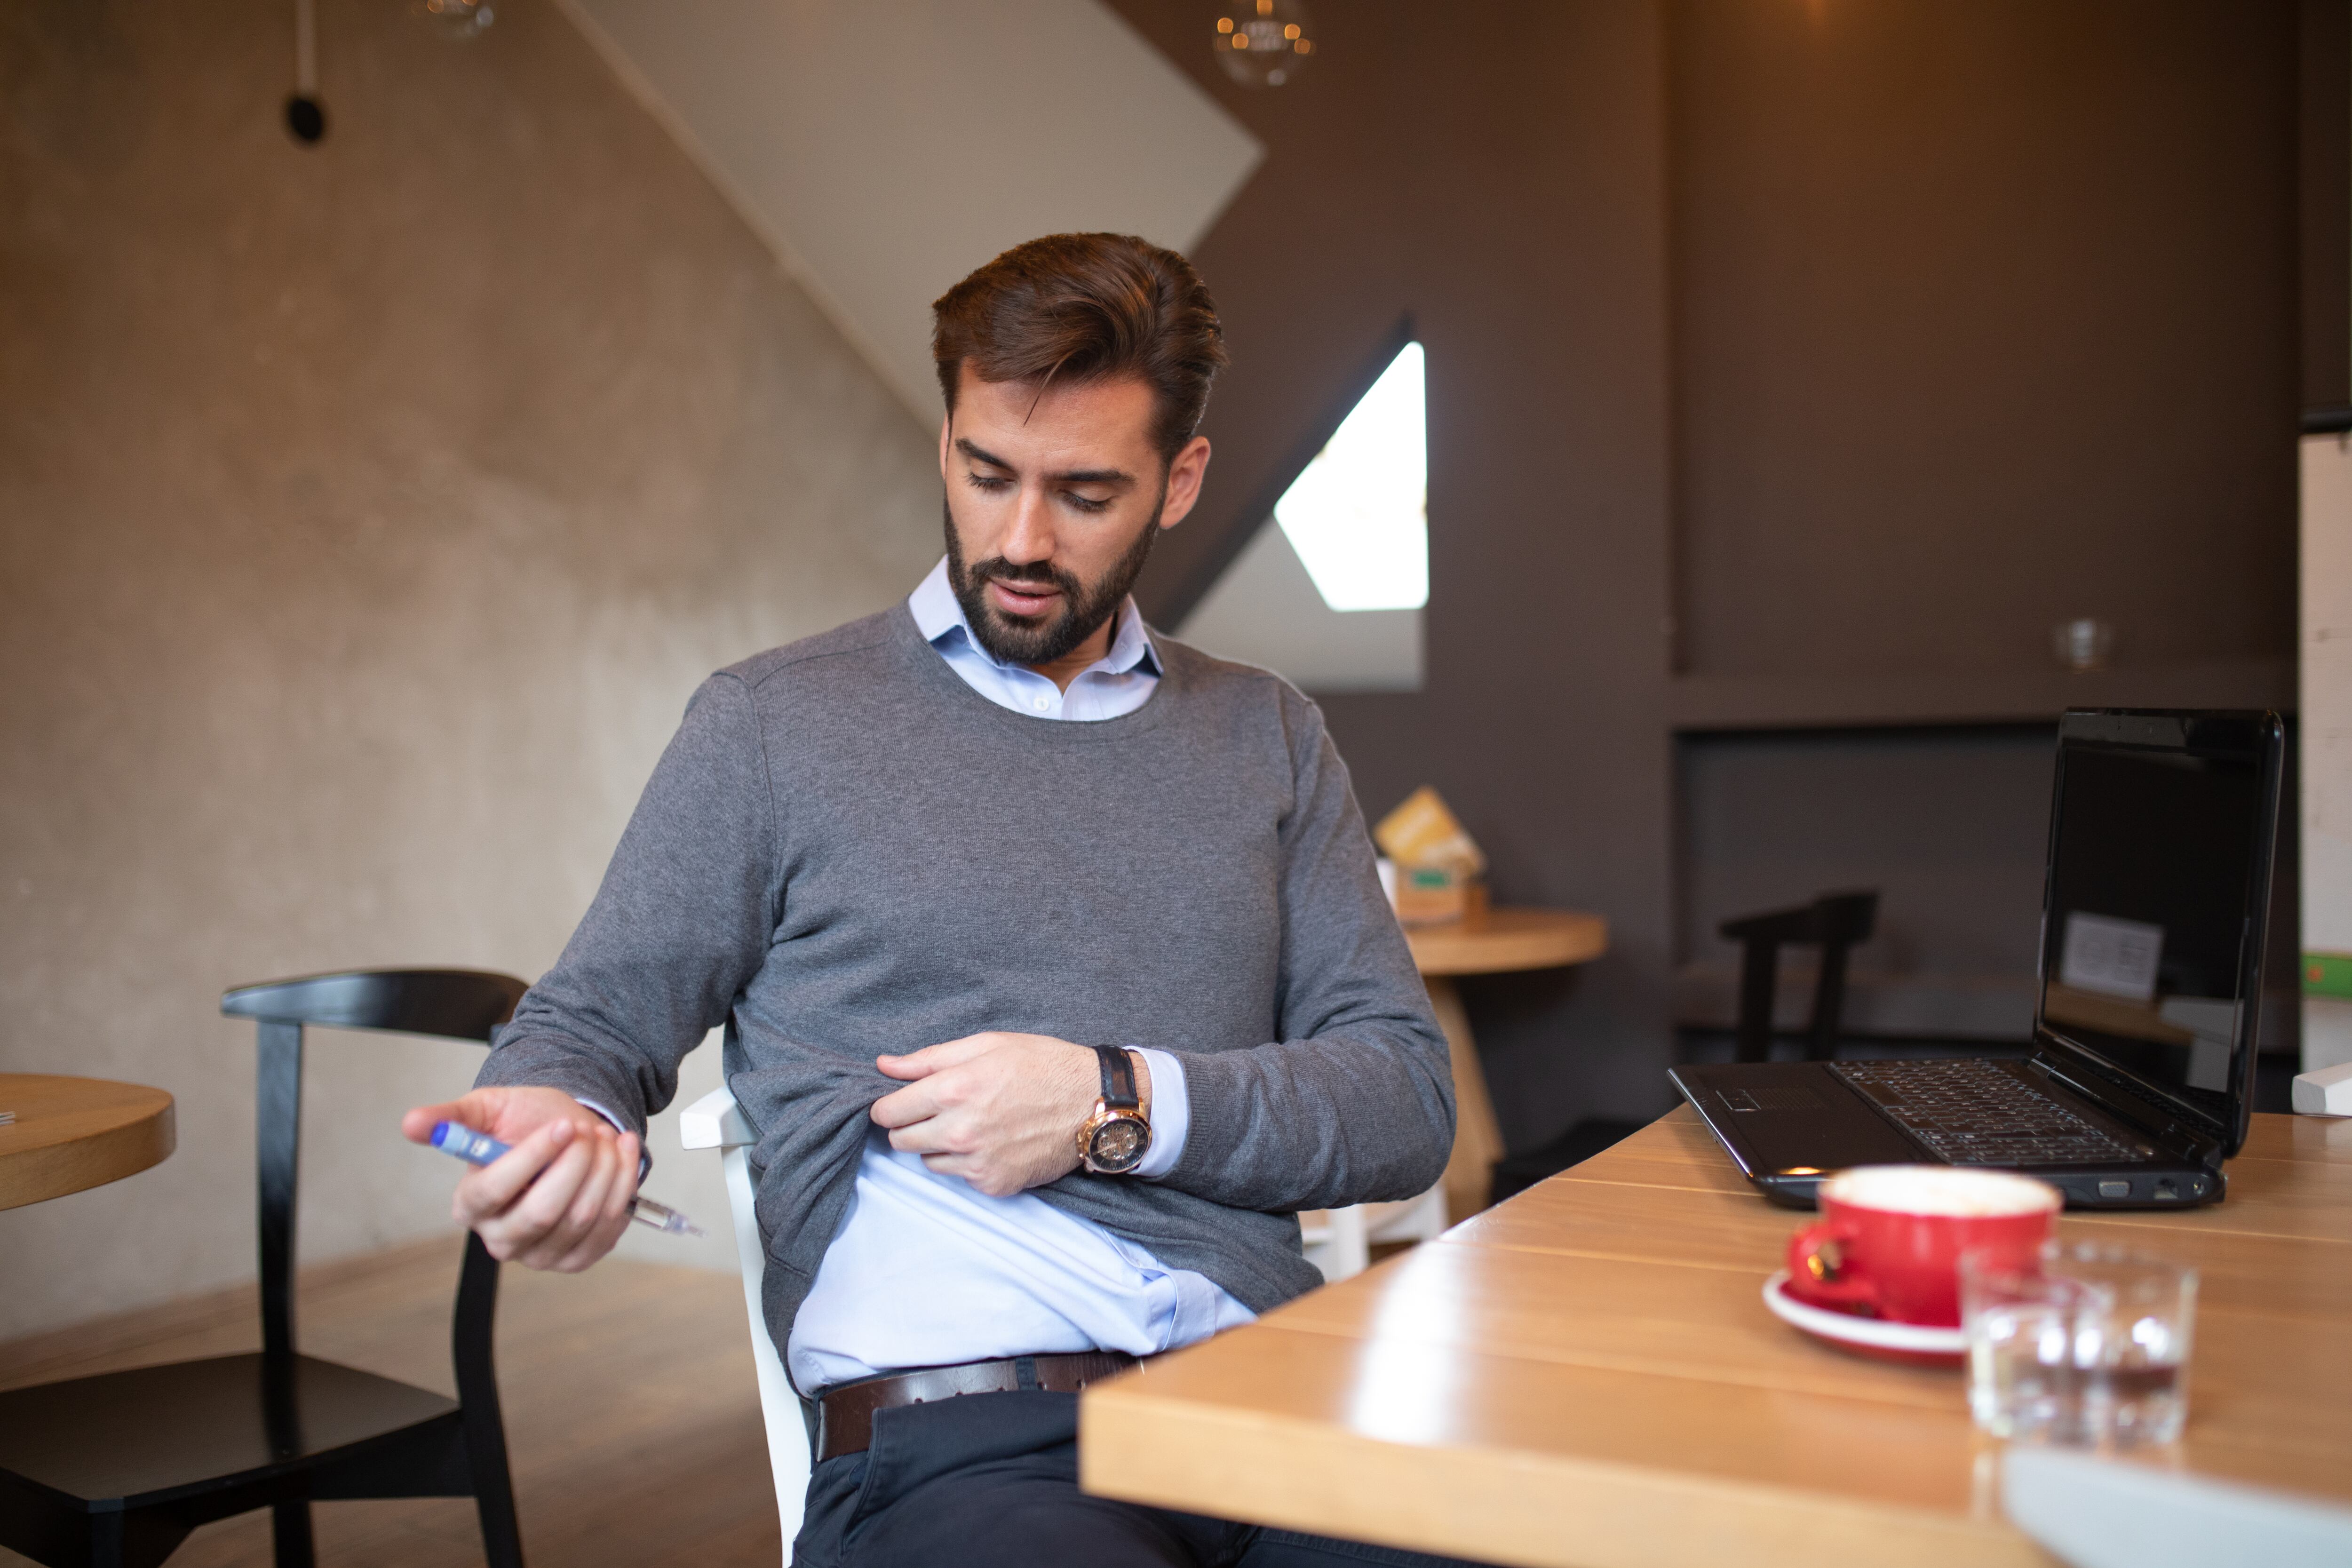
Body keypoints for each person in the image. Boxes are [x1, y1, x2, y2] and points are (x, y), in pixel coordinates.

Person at [404, 232, 1465, 1567]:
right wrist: (558, 1116)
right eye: (986, 475)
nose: (1021, 540)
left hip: (1274, 1409)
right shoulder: (773, 726)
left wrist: (1111, 1102)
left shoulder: (1270, 736)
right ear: (948, 442)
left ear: (1181, 481)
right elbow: (593, 1024)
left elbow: (1405, 1099)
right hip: (968, 1446)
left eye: (1086, 493)